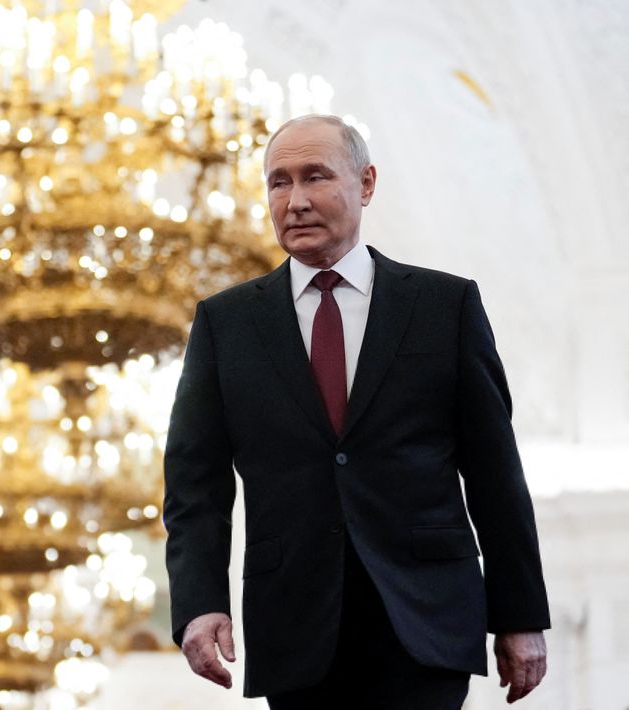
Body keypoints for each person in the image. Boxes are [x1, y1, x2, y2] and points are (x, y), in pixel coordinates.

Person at [162, 115, 550, 709]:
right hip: (295, 624)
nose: (294, 201)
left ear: (366, 184)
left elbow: (496, 473)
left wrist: (520, 615)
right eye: (278, 182)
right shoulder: (226, 324)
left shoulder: (445, 306)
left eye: (315, 177)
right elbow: (195, 485)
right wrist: (198, 604)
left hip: (427, 618)